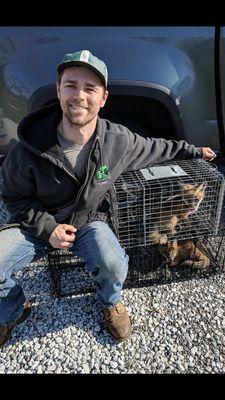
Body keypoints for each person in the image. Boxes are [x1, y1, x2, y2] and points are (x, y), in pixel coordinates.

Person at [0, 49, 216, 346]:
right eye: (71, 85)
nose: (80, 96)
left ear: (103, 98)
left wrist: (196, 151)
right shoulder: (27, 148)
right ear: (58, 90)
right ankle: (11, 311)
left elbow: (158, 148)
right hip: (38, 225)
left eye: (90, 88)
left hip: (89, 222)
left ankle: (109, 300)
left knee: (115, 264)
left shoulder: (119, 141)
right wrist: (48, 229)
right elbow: (14, 197)